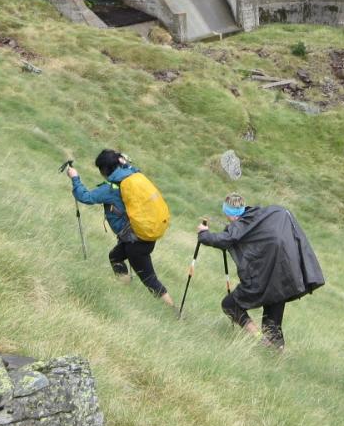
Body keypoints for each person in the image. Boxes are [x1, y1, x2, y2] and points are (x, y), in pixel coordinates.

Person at [196, 193, 324, 350]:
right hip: (283, 277)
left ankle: (259, 340)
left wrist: (204, 234)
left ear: (231, 214)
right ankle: (278, 355)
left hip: (265, 279)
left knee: (230, 305)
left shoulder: (240, 224)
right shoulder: (261, 214)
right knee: (272, 324)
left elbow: (225, 239)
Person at [67, 149, 174, 308]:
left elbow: (86, 197)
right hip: (143, 236)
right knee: (115, 256)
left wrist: (75, 178)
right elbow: (128, 164)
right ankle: (125, 288)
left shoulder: (112, 187)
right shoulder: (130, 174)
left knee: (149, 279)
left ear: (104, 170)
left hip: (136, 242)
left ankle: (174, 311)